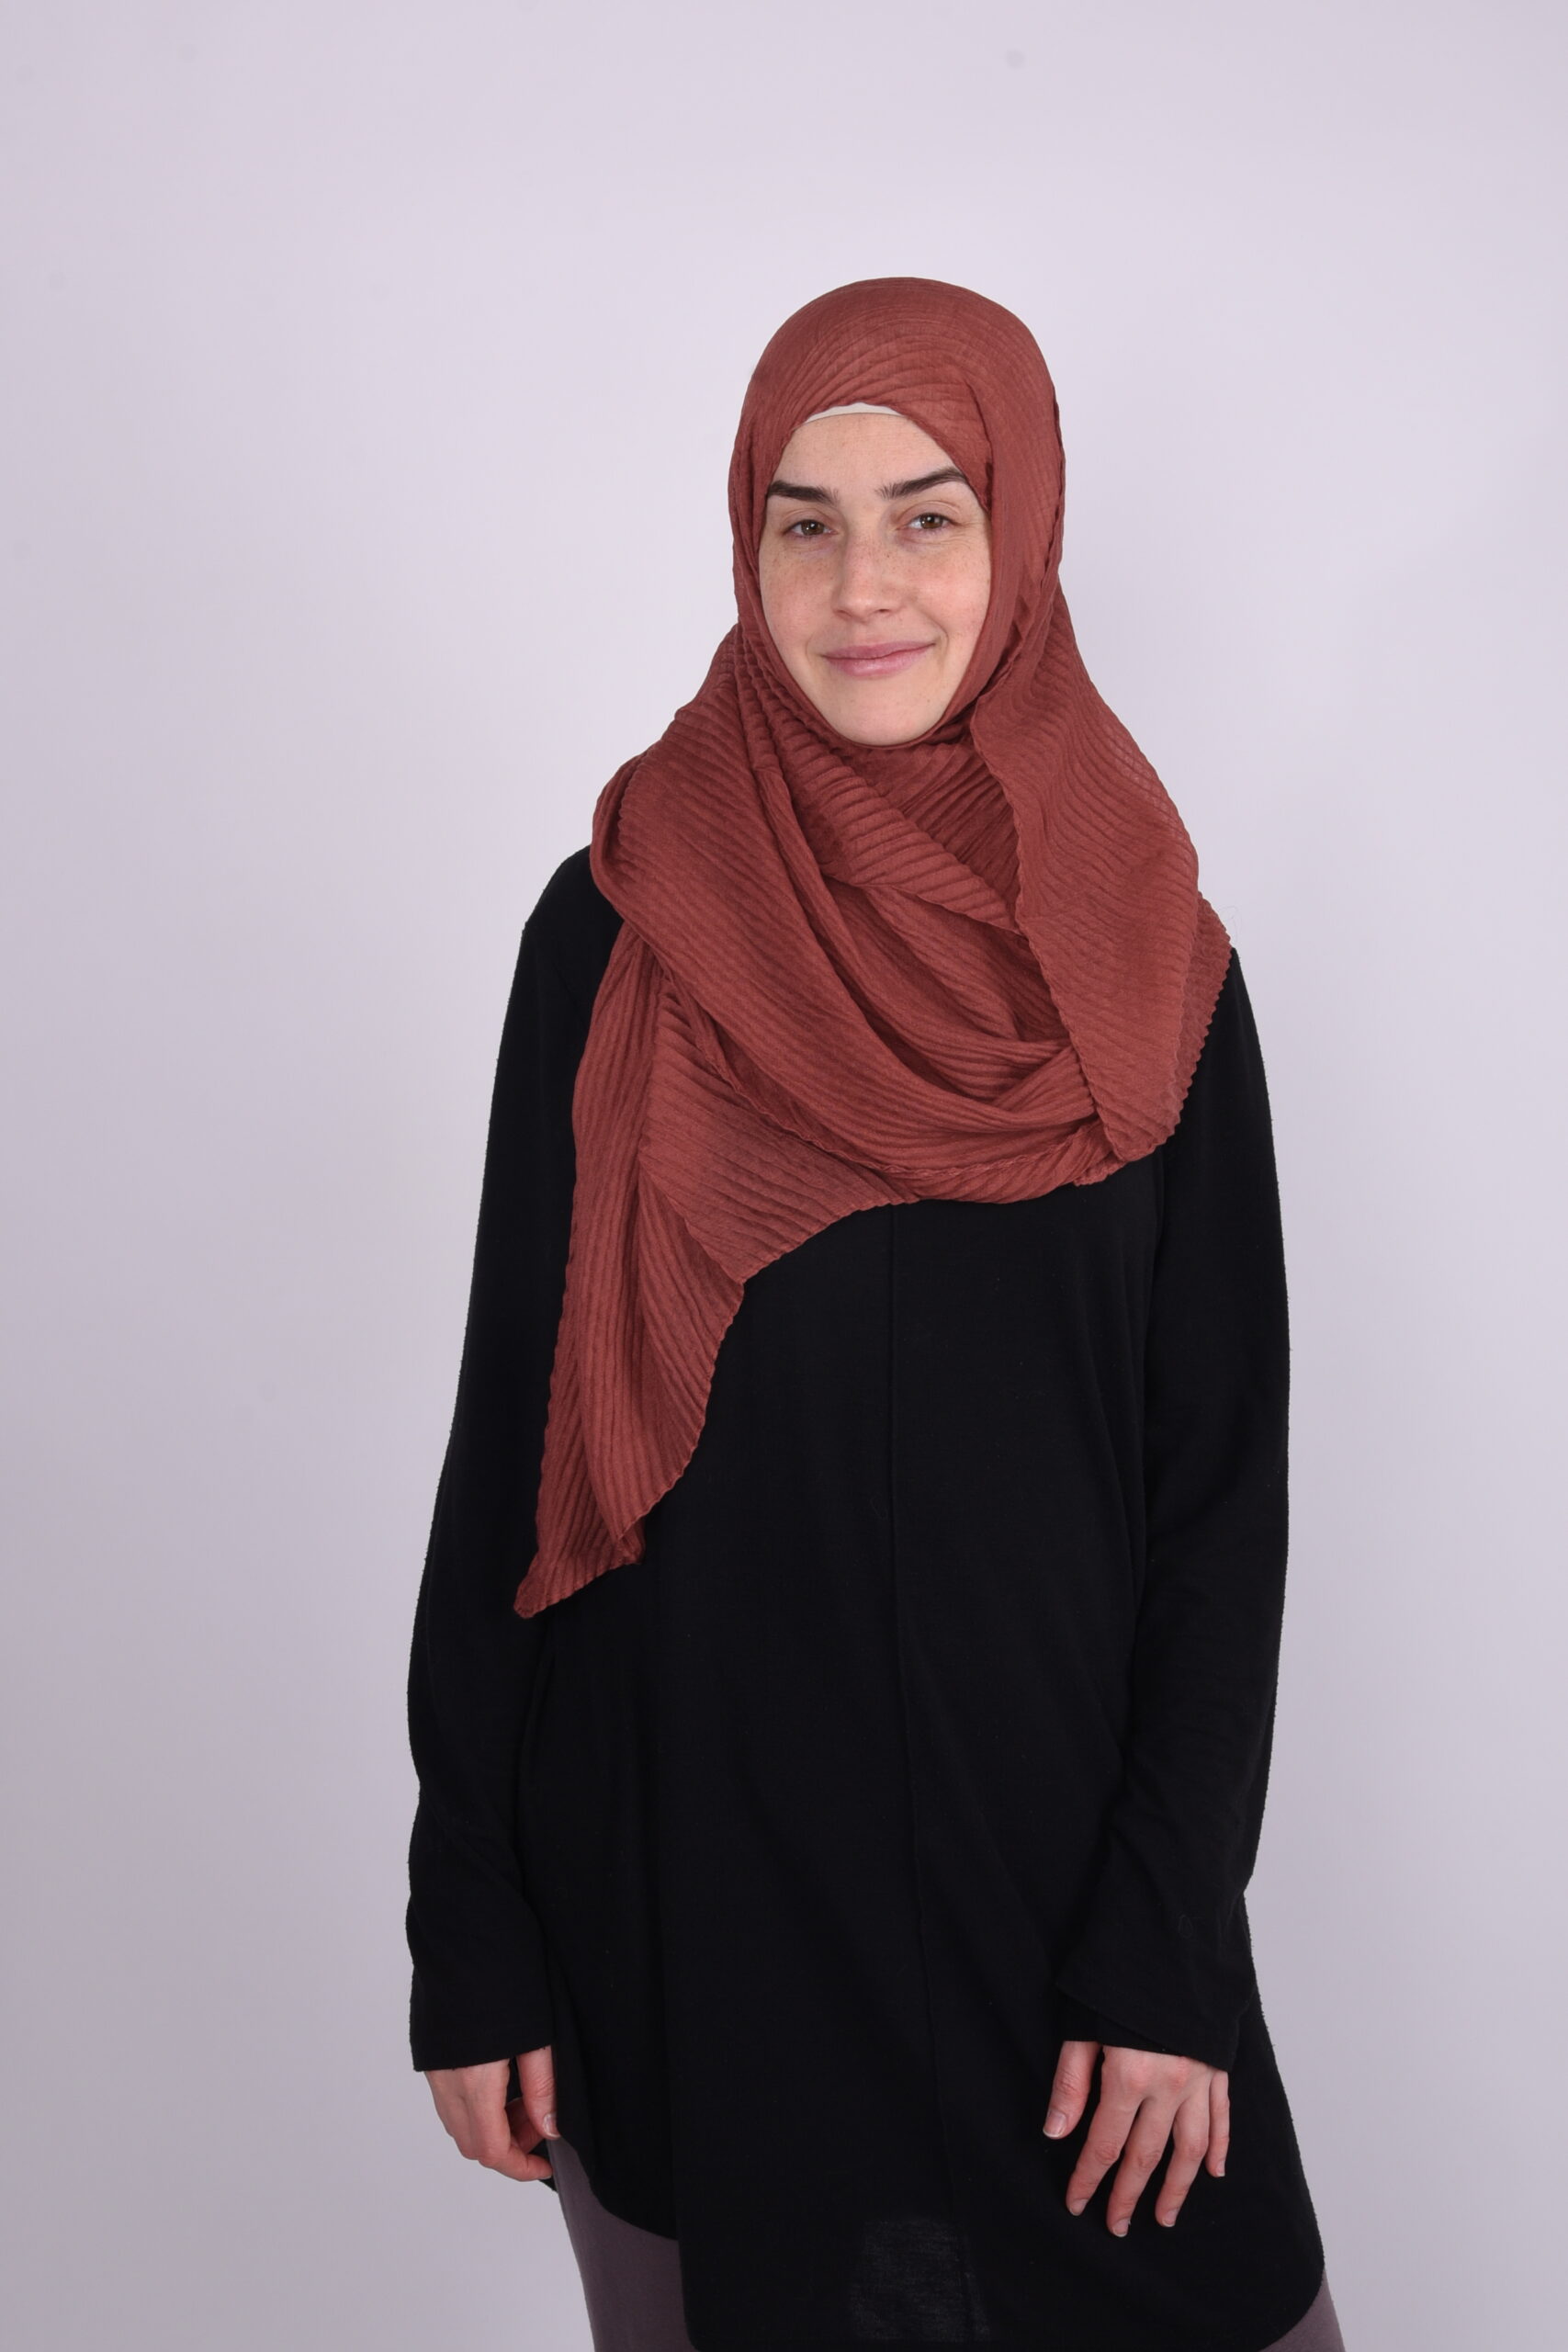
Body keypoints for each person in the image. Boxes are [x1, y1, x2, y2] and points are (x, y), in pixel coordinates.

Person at [405, 277, 1346, 2352]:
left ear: (1023, 533)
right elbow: (513, 1443)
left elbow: (1219, 1504)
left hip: (1067, 1945)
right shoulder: (617, 923)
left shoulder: (1154, 962)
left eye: (928, 515)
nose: (862, 588)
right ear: (743, 543)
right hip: (688, 1916)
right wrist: (467, 1919)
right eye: (803, 522)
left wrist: (1167, 1951)